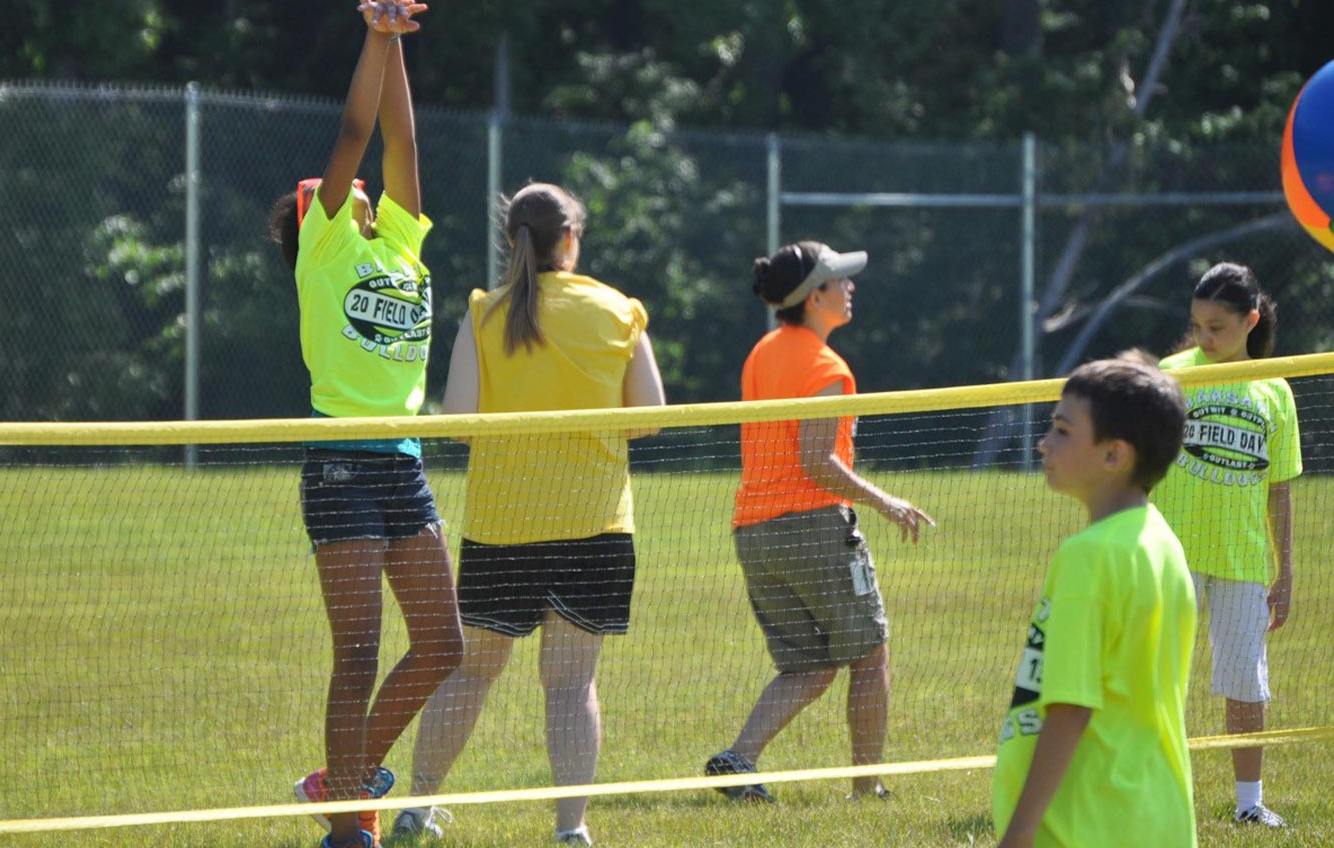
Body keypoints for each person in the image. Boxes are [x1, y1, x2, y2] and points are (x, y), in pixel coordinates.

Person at [396, 182, 666, 847]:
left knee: (472, 673)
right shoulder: (617, 310)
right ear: (570, 238)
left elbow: (458, 423)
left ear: (511, 239)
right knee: (571, 685)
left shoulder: (484, 313)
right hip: (594, 527)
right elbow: (651, 419)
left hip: (502, 527)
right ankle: (571, 830)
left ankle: (416, 811)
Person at [267, 0, 465, 848]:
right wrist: (374, 39)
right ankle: (351, 825)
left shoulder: (401, 245)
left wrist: (400, 47)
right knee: (357, 652)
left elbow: (399, 139)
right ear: (314, 217)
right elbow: (355, 136)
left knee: (442, 646)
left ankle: (337, 783)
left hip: (403, 464)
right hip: (343, 463)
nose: (352, 192)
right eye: (333, 191)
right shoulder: (327, 247)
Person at [705, 241, 934, 803]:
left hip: (754, 532)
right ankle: (866, 788)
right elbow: (816, 461)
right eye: (839, 280)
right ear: (814, 297)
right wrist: (885, 502)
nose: (850, 287)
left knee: (810, 665)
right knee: (870, 656)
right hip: (812, 528)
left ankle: (740, 759)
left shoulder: (762, 351)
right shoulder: (825, 366)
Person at [992, 356, 1197, 847]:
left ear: (1114, 456)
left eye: (1062, 430)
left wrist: (1017, 836)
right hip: (1154, 816)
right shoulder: (1162, 541)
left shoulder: (1089, 556)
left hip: (1085, 823)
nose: (1045, 442)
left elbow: (1069, 710)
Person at [1148, 261, 1301, 826]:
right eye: (1199, 325)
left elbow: (1279, 490)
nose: (1205, 338)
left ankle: (1249, 804)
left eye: (1218, 327)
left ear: (1250, 321)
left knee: (1245, 683)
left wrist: (1284, 572)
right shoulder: (1170, 375)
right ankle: (1156, 797)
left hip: (1242, 562)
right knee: (1156, 681)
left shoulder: (1275, 390)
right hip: (1170, 557)